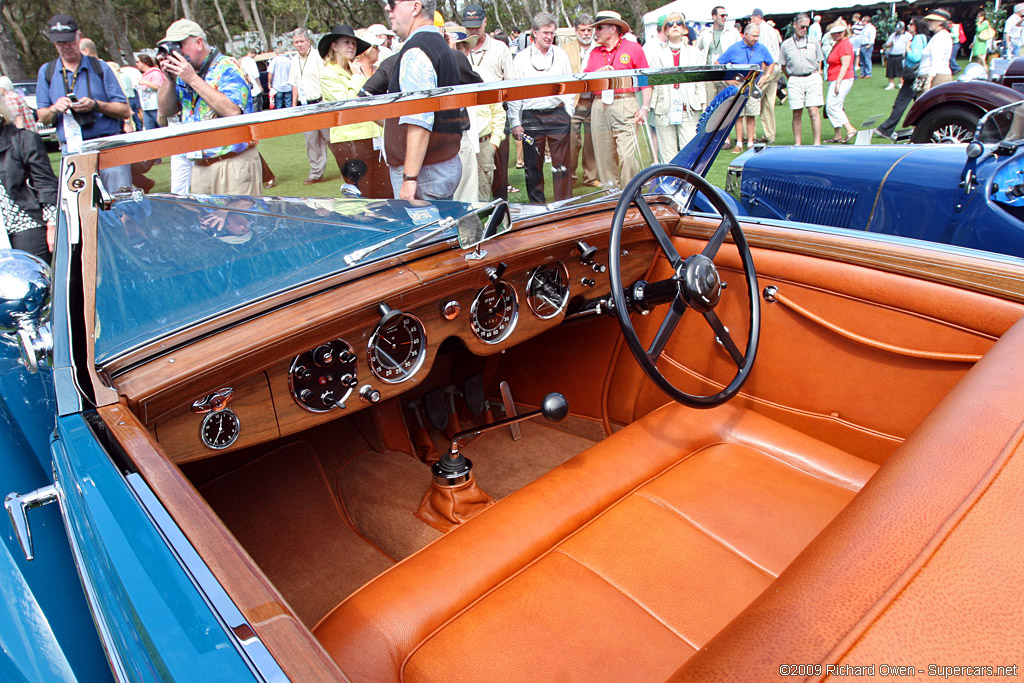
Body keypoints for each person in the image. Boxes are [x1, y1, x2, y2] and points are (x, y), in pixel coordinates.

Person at [156, 18, 260, 195]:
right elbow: (165, 112)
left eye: (179, 45)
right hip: (199, 164)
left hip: (233, 162)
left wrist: (192, 79)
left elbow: (233, 111)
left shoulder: (227, 66)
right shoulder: (183, 73)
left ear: (198, 43)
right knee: (205, 222)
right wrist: (169, 79)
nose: (175, 52)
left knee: (241, 221)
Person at [35, 14, 132, 191]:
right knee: (82, 209)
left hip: (107, 147)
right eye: (60, 43)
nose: (66, 47)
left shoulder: (100, 67)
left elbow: (125, 110)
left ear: (78, 36)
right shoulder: (47, 72)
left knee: (121, 203)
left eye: (69, 41)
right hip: (73, 150)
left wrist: (96, 105)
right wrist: (55, 108)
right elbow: (42, 116)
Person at [386, 0, 469, 200]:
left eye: (392, 3)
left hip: (424, 173)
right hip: (434, 167)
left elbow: (419, 121)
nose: (388, 9)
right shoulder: (438, 45)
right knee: (441, 230)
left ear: (415, 8)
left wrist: (409, 179)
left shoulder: (417, 51)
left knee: (424, 232)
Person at [507, 13, 573, 204]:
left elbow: (569, 85)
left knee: (562, 165)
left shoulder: (560, 55)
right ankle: (537, 207)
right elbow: (514, 94)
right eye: (545, 32)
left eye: (552, 33)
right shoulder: (520, 58)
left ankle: (564, 205)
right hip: (531, 116)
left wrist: (568, 111)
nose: (549, 37)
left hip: (558, 114)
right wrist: (515, 122)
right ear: (534, 33)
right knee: (532, 165)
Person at [319, 24, 389, 198]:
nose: (351, 46)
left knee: (384, 191)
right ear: (334, 46)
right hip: (349, 142)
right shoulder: (328, 74)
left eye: (354, 43)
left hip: (373, 138)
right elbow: (348, 104)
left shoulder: (357, 70)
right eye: (346, 42)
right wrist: (358, 76)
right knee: (362, 194)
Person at [583, 10, 651, 190]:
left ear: (613, 28)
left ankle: (631, 196)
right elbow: (585, 83)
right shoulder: (594, 53)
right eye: (595, 28)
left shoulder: (633, 48)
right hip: (599, 105)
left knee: (628, 156)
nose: (595, 32)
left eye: (599, 28)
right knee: (604, 157)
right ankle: (611, 199)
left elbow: (646, 80)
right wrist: (597, 75)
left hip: (625, 102)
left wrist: (645, 107)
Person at [463, 3, 514, 200]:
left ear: (485, 22)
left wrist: (496, 139)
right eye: (469, 27)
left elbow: (512, 87)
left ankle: (502, 223)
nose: (473, 30)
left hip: (496, 120)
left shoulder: (500, 49)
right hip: (468, 130)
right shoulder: (460, 52)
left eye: (476, 25)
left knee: (498, 182)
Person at [0, 100, 58, 261]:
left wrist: (52, 224)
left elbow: (45, 183)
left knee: (33, 280)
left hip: (25, 223)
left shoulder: (24, 140)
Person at [648, 12, 706, 160]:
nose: (675, 26)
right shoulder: (656, 54)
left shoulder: (694, 53)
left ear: (684, 29)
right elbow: (653, 83)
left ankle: (689, 183)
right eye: (670, 24)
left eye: (679, 23)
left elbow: (700, 80)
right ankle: (670, 183)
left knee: (689, 153)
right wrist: (650, 107)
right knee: (668, 155)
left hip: (689, 109)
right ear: (665, 31)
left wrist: (704, 104)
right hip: (664, 109)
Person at [717, 22, 774, 153]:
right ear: (746, 34)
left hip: (753, 85)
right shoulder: (734, 48)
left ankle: (750, 142)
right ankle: (739, 143)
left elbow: (771, 63)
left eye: (758, 36)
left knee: (752, 114)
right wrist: (727, 79)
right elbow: (718, 63)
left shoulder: (761, 48)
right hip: (739, 85)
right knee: (738, 115)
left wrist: (766, 76)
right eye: (754, 35)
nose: (756, 38)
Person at [873, 16, 930, 140]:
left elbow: (915, 57)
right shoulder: (923, 37)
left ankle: (886, 129)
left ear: (916, 26)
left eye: (911, 24)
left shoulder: (917, 38)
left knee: (901, 102)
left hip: (912, 76)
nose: (908, 26)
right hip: (917, 75)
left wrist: (907, 47)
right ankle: (922, 127)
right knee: (919, 103)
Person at [288, 27, 330, 186]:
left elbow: (325, 80)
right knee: (311, 142)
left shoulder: (318, 57)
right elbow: (295, 85)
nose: (299, 45)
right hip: (305, 107)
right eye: (296, 42)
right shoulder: (293, 60)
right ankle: (316, 173)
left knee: (332, 139)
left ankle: (345, 168)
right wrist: (294, 107)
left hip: (321, 103)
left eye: (301, 41)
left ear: (308, 41)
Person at [563, 15, 599, 188]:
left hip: (595, 100)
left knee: (592, 142)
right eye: (582, 30)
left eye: (589, 30)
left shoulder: (599, 48)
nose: (586, 33)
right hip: (574, 101)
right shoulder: (565, 49)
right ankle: (570, 176)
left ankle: (590, 177)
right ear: (575, 30)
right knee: (572, 142)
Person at [780, 14, 824, 146]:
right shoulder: (786, 44)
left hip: (812, 76)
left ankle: (817, 143)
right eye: (802, 26)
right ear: (795, 25)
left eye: (807, 27)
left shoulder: (813, 41)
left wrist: (818, 73)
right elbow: (783, 65)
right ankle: (797, 143)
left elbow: (819, 59)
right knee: (797, 111)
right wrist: (792, 78)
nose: (804, 29)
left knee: (813, 110)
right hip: (795, 78)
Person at [695, 7, 741, 111]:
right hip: (710, 74)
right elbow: (697, 50)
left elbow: (739, 51)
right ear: (714, 17)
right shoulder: (705, 33)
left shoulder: (733, 32)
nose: (724, 18)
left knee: (726, 107)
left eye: (726, 15)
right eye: (722, 15)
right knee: (710, 107)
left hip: (726, 74)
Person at [750, 8, 781, 144]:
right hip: (776, 68)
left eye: (752, 18)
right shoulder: (771, 29)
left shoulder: (762, 30)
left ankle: (749, 134)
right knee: (768, 104)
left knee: (753, 99)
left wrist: (763, 75)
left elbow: (765, 55)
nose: (751, 21)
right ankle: (769, 135)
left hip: (769, 68)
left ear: (757, 17)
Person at [824, 20, 857, 144]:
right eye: (834, 32)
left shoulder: (844, 44)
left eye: (839, 32)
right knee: (835, 106)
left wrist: (838, 82)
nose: (837, 34)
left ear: (845, 31)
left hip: (842, 79)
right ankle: (838, 135)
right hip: (836, 78)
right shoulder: (839, 43)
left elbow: (845, 65)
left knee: (832, 106)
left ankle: (850, 129)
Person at [921, 9, 954, 92]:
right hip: (936, 75)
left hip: (936, 77)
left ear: (940, 22)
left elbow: (936, 60)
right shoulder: (941, 35)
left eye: (932, 20)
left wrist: (928, 81)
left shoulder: (940, 37)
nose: (929, 22)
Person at [135, 55, 164, 130]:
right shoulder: (144, 75)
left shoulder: (155, 73)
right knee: (149, 132)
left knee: (162, 129)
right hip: (146, 108)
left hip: (156, 107)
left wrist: (146, 83)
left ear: (144, 62)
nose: (136, 64)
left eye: (138, 62)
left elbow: (159, 87)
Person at [882, 22, 909, 90]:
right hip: (892, 55)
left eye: (899, 29)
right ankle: (891, 84)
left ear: (903, 29)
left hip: (901, 55)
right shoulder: (893, 35)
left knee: (901, 71)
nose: (897, 31)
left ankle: (901, 83)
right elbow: (886, 44)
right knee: (890, 71)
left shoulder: (907, 35)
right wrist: (889, 45)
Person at [268, 44, 292, 108]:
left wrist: (269, 83)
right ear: (283, 52)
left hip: (277, 86)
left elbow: (270, 73)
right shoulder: (289, 60)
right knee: (289, 104)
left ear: (276, 53)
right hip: (288, 86)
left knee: (278, 105)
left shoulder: (274, 60)